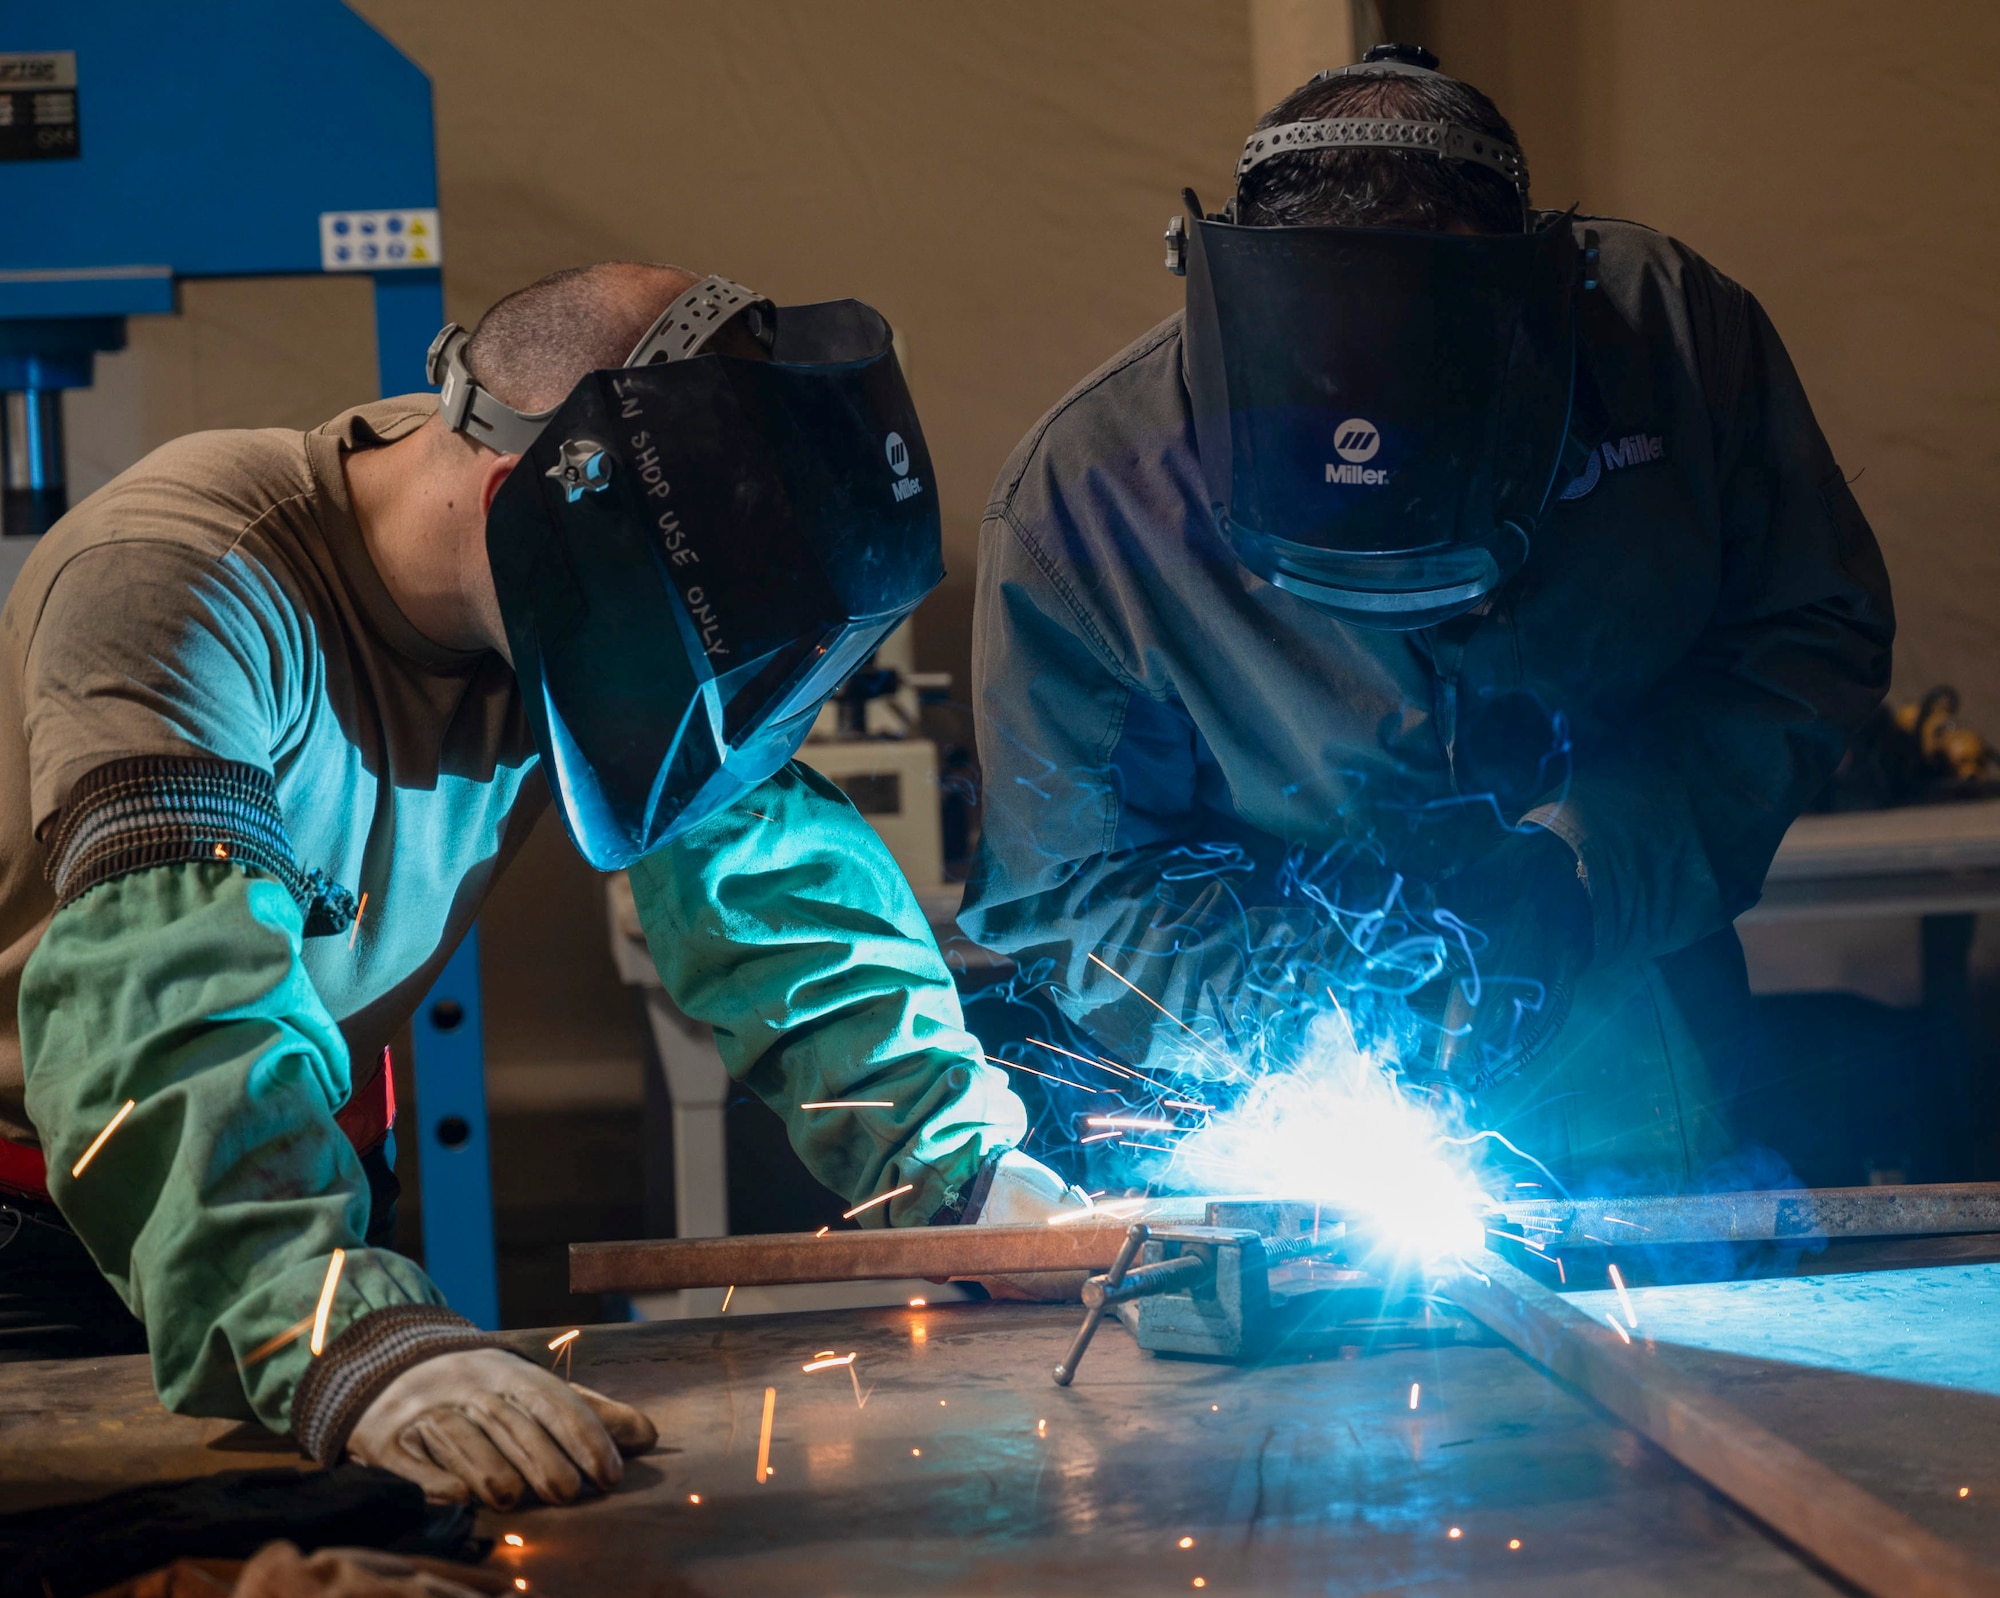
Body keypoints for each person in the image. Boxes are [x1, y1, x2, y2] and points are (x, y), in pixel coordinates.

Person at [0, 261, 1083, 1509]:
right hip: (42, 1227)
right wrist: (336, 1328)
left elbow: (774, 892)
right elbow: (163, 1013)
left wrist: (961, 1171)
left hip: (293, 1189)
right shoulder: (182, 585)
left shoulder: (565, 573)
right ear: (525, 504)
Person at [959, 47, 1894, 1194]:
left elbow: (1804, 633)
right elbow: (1069, 876)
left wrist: (1582, 869)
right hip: (1280, 1107)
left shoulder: (1672, 345)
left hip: (1639, 1036)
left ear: (1548, 292)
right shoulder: (1088, 500)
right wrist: (1304, 1015)